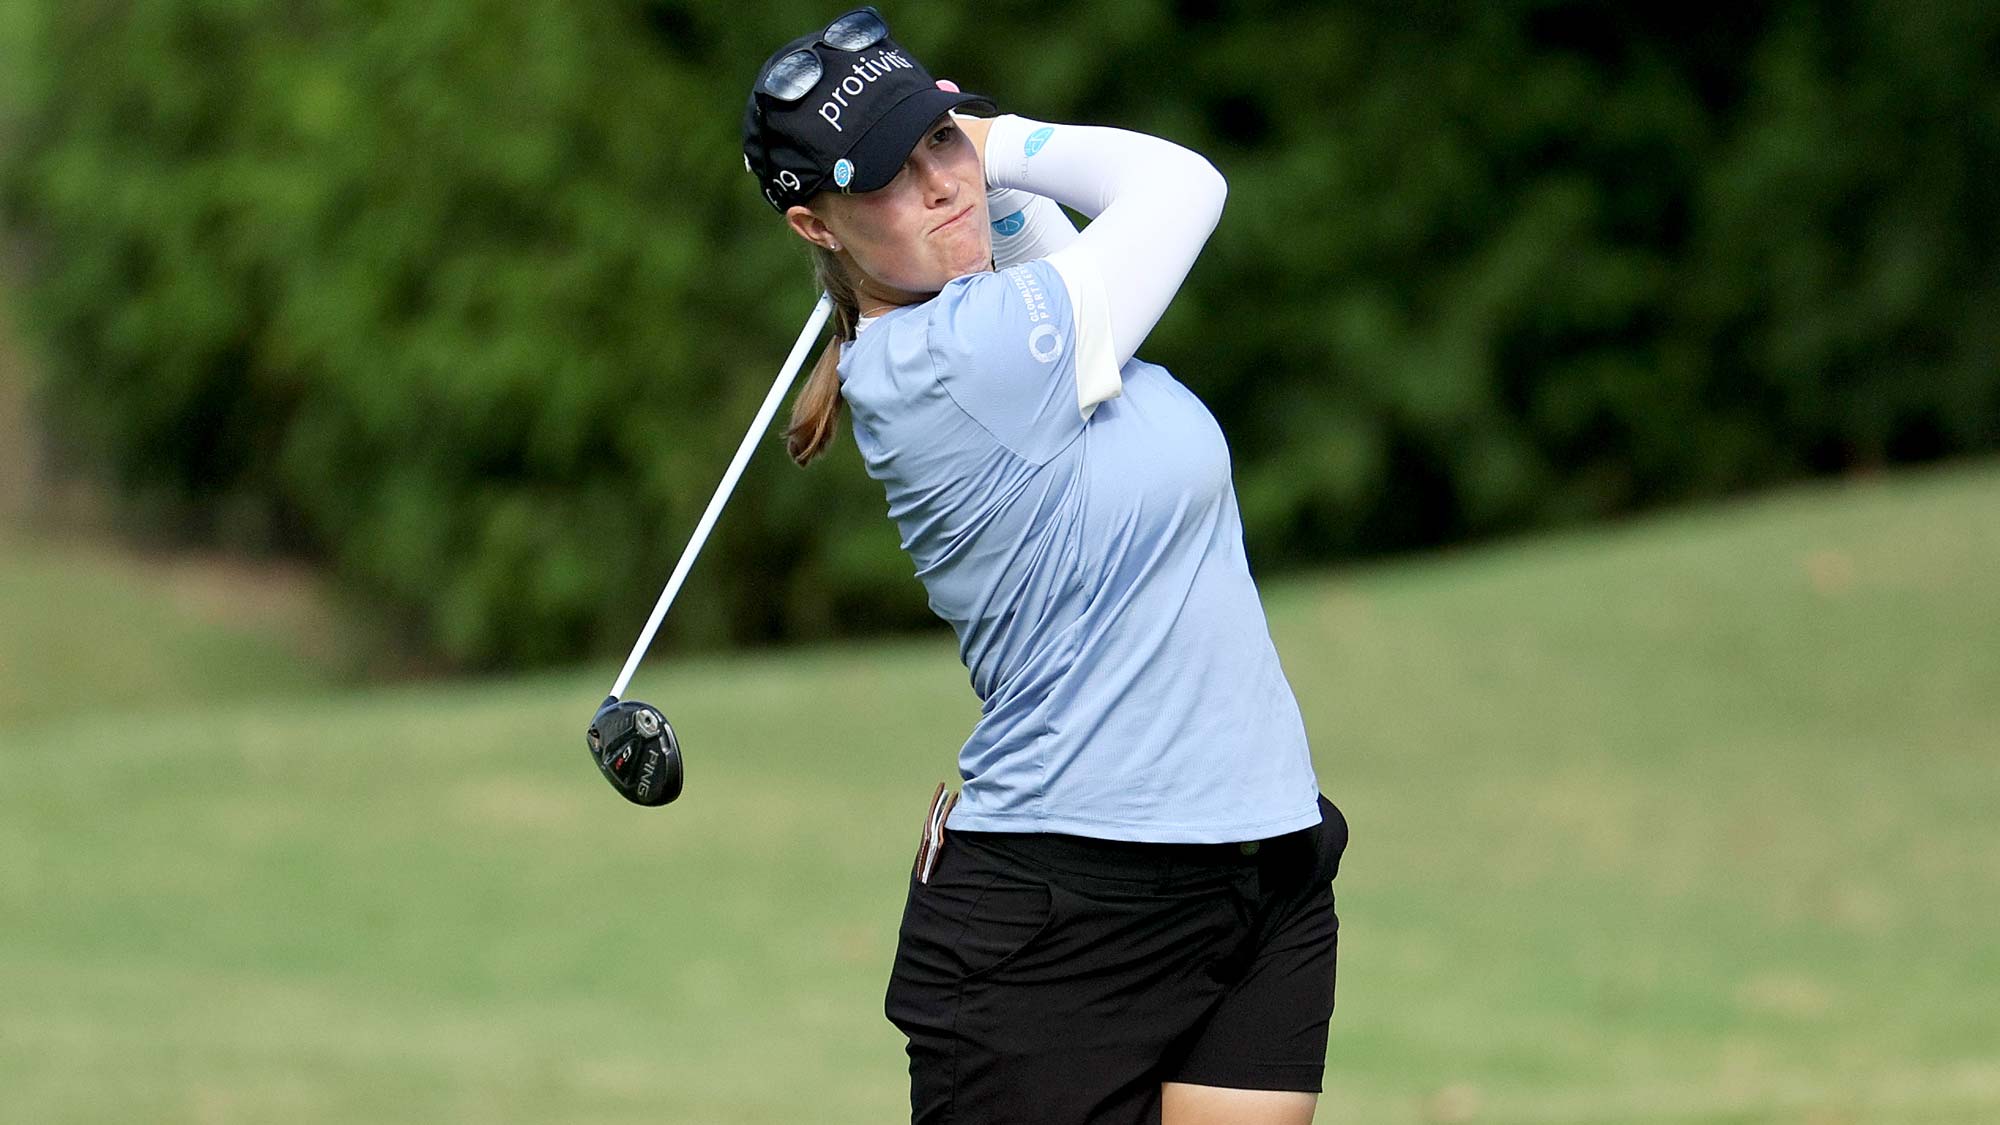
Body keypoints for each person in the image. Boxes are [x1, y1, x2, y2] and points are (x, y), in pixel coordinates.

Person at [741, 9, 1348, 1124]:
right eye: (883, 173)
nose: (935, 182)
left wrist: (970, 173)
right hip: (1064, 907)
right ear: (812, 225)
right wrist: (999, 139)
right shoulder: (941, 363)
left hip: (1259, 855)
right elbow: (1181, 189)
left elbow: (1039, 246)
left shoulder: (1015, 323)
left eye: (932, 140)